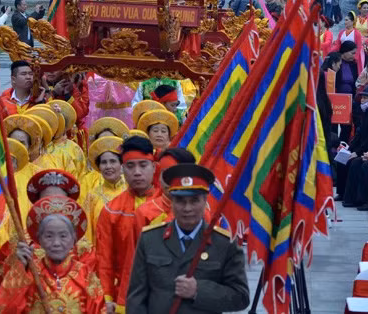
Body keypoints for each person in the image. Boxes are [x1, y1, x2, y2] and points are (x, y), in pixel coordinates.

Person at [126, 163, 249, 314]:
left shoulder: (224, 244)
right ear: (172, 202)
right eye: (180, 201)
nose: (187, 208)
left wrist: (199, 290)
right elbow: (136, 298)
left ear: (205, 201)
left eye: (194, 201)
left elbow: (241, 297)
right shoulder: (150, 239)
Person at [0, 195, 105, 313]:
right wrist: (20, 268)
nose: (56, 243)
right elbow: (2, 308)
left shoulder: (85, 275)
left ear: (73, 241)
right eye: (49, 236)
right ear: (39, 240)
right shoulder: (30, 273)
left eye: (63, 236)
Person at [95, 136, 157, 311]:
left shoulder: (167, 206)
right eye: (130, 166)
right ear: (123, 169)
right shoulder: (111, 210)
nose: (137, 172)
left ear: (153, 167)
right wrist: (106, 297)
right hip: (123, 295)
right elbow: (104, 258)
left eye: (143, 165)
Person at [334, 85, 368, 201]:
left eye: (365, 98)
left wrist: (357, 153)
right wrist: (350, 149)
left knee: (354, 163)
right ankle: (342, 193)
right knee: (342, 159)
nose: (362, 101)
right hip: (361, 146)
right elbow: (359, 135)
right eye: (362, 98)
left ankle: (353, 198)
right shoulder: (366, 112)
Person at [81, 135, 126, 241]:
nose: (108, 166)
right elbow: (86, 234)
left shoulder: (132, 191)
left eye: (113, 161)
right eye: (104, 162)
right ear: (99, 167)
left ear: (121, 164)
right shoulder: (92, 196)